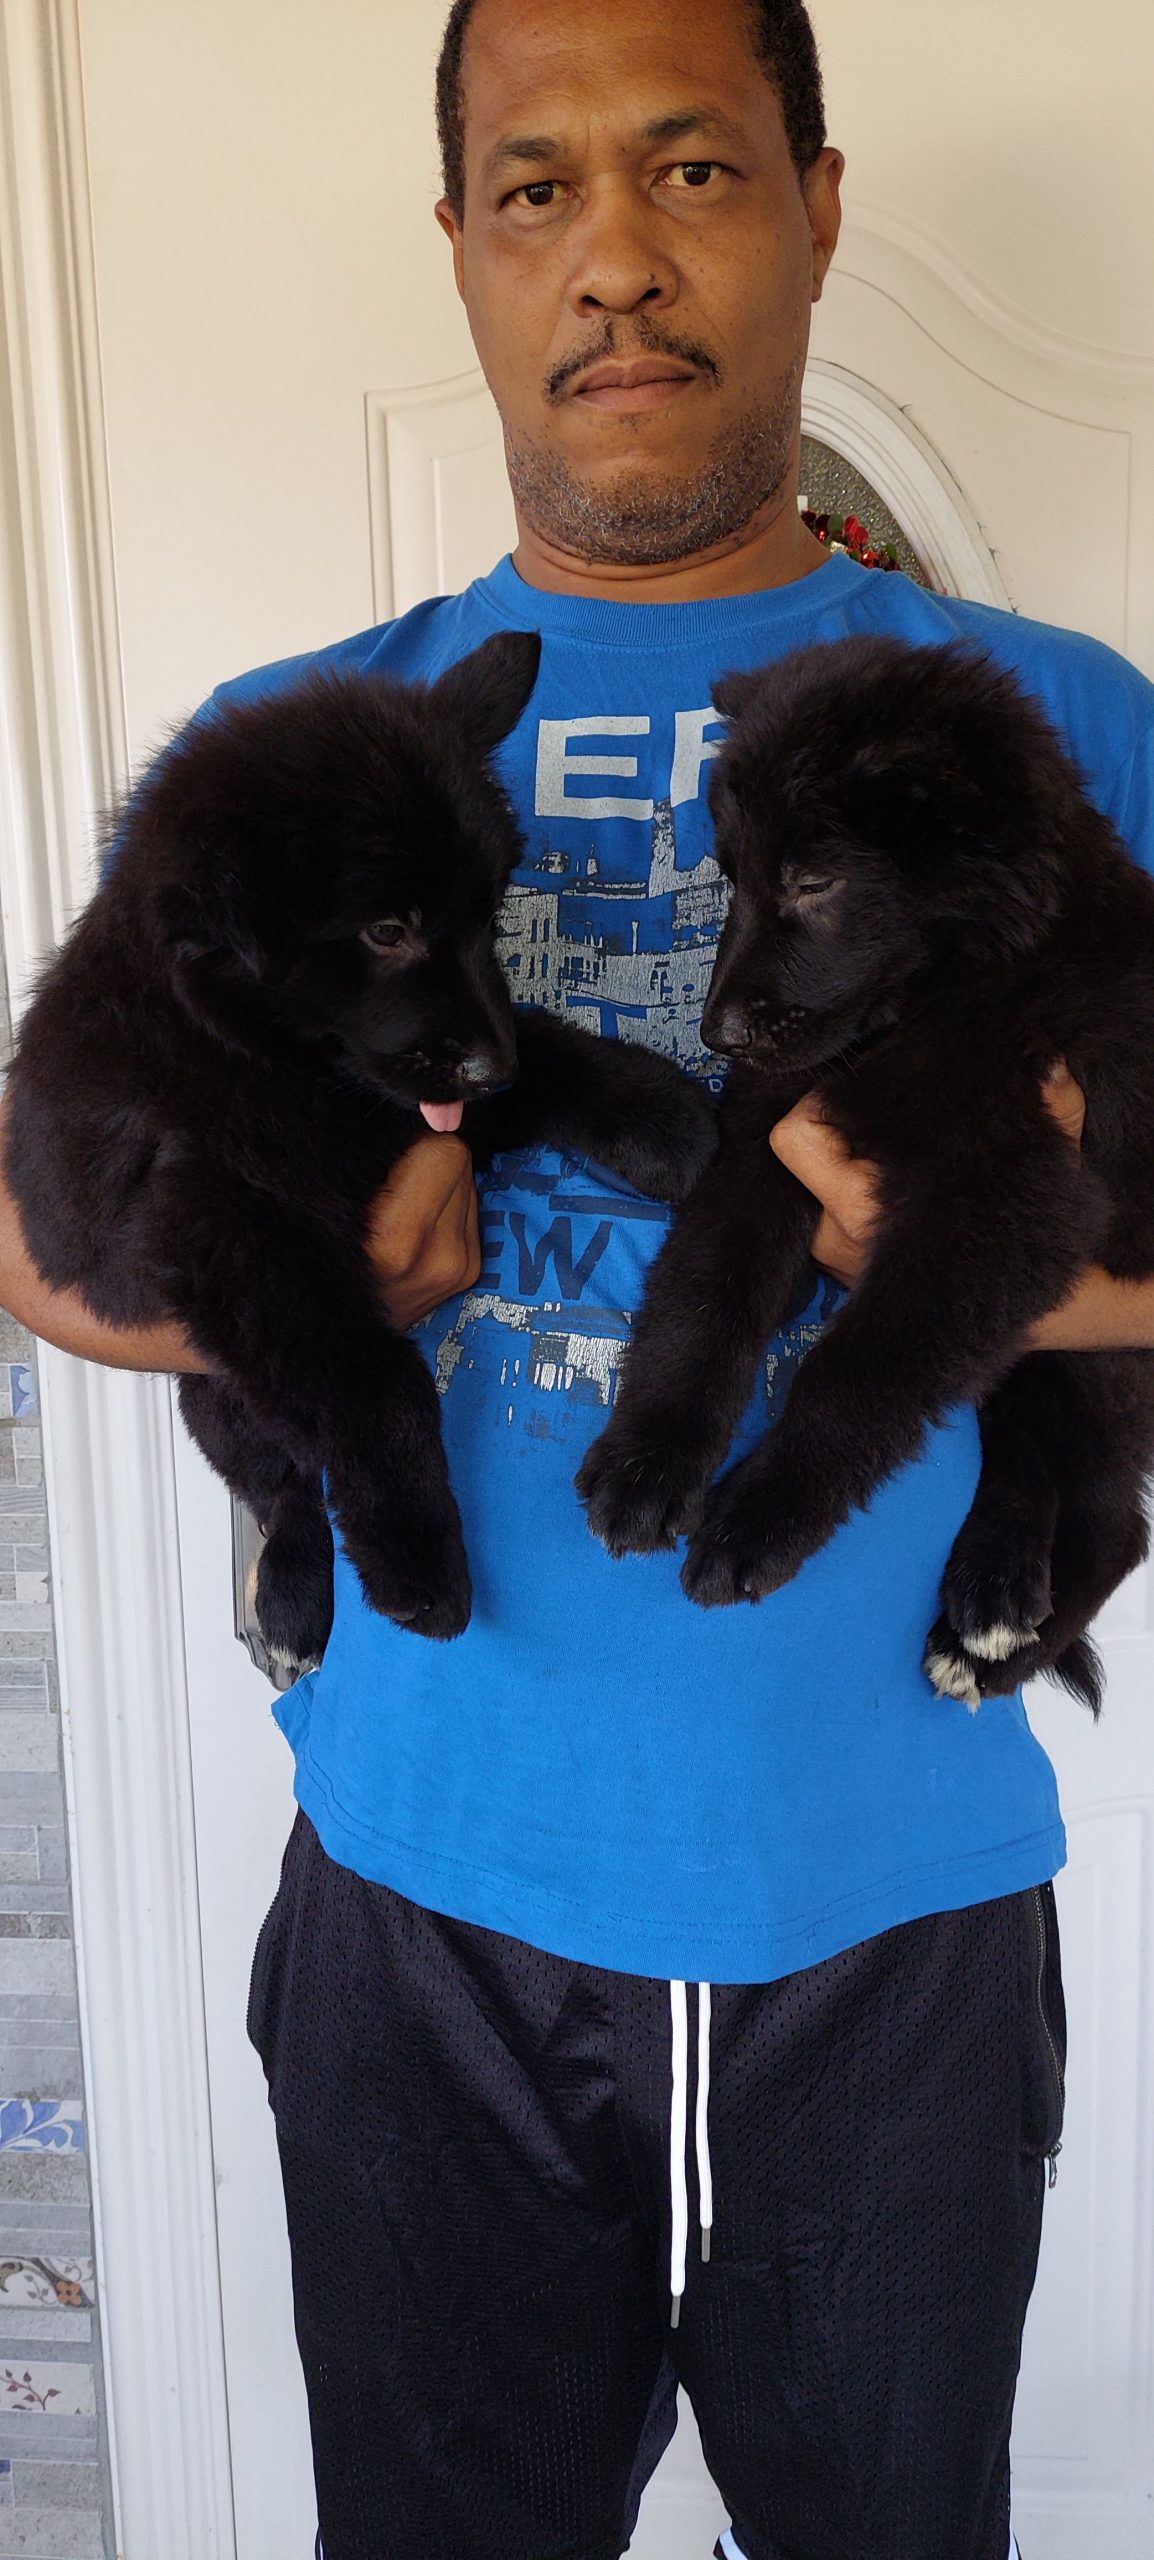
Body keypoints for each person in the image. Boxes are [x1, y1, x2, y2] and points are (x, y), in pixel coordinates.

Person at [3, 2, 1154, 2554]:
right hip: (422, 1889)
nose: (614, 259)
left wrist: (1000, 1267)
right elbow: (41, 1234)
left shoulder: (1061, 723)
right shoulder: (308, 732)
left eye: (692, 173)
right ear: (457, 247)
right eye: (534, 189)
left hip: (894, 1915)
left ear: (817, 204)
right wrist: (281, 1291)